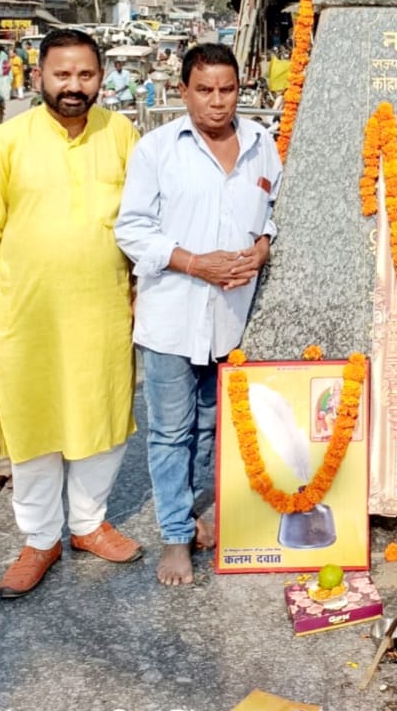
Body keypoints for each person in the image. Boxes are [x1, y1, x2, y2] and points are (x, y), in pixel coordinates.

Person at [115, 43, 282, 587]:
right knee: (170, 431)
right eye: (204, 89)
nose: (217, 101)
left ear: (240, 90)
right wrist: (194, 263)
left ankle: (191, 512)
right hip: (172, 315)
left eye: (227, 89)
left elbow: (274, 212)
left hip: (229, 318)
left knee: (210, 425)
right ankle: (174, 536)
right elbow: (132, 229)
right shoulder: (157, 149)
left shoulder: (261, 145)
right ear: (182, 90)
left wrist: (261, 247)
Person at [0, 29, 141, 599]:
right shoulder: (6, 141)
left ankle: (87, 523)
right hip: (27, 317)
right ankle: (39, 538)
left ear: (100, 78)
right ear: (39, 77)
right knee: (33, 425)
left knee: (102, 416)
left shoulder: (122, 134)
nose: (73, 86)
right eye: (62, 75)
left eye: (85, 75)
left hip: (103, 310)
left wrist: (140, 291)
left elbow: (142, 221)